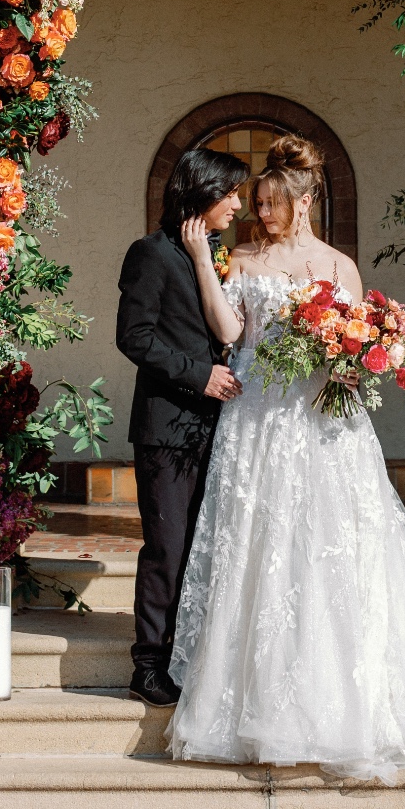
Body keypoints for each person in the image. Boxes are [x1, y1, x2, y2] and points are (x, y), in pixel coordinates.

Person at [167, 133, 405, 780]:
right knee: (258, 548)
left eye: (270, 202)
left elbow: (359, 348)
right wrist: (203, 259)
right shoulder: (245, 258)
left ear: (302, 200)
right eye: (257, 202)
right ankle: (251, 698)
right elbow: (231, 334)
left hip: (318, 421)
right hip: (256, 420)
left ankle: (338, 699)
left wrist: (351, 367)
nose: (261, 213)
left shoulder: (338, 267)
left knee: (328, 546)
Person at [116, 143, 250, 708]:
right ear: (202, 192)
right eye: (230, 193)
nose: (238, 205)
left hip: (219, 427)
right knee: (167, 548)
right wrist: (201, 376)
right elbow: (135, 337)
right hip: (167, 428)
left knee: (204, 548)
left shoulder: (214, 254)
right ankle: (147, 664)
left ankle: (190, 655)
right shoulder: (149, 254)